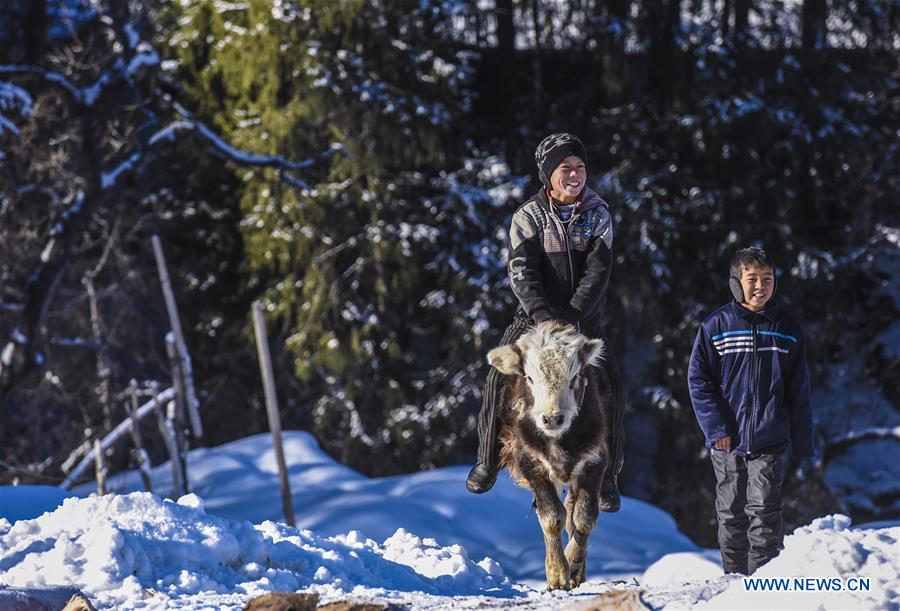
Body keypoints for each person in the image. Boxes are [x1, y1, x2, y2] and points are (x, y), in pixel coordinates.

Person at [466, 132, 626, 513]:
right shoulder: (528, 216)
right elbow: (522, 274)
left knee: (615, 385)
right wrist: (545, 320)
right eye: (566, 168)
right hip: (532, 319)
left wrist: (570, 320)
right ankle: (486, 461)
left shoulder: (598, 213)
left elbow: (598, 273)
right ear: (548, 175)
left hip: (582, 321)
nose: (574, 175)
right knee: (493, 380)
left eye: (580, 167)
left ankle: (610, 478)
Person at [687, 247, 813, 575]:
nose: (760, 286)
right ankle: (733, 580)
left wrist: (803, 441)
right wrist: (717, 430)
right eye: (751, 279)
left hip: (770, 437)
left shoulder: (786, 327)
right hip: (727, 439)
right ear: (735, 282)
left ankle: (761, 585)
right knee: (730, 513)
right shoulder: (717, 326)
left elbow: (800, 390)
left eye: (767, 279)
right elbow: (699, 382)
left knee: (765, 512)